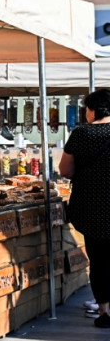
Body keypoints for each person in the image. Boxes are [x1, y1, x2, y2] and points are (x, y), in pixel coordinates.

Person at [59, 89, 110, 328]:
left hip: (91, 207)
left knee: (99, 260)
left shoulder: (80, 133)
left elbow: (65, 170)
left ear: (93, 110)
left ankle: (105, 312)